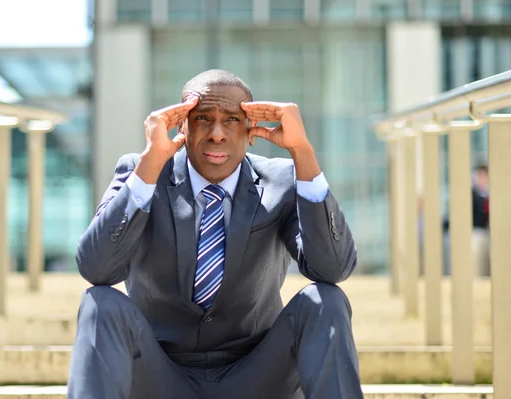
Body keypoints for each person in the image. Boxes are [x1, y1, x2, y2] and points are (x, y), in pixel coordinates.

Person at [68, 70, 363, 399]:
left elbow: (332, 269)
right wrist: (151, 162)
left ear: (251, 130)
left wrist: (302, 152)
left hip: (256, 377)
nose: (217, 134)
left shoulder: (282, 180)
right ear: (183, 125)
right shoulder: (142, 171)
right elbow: (96, 268)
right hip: (159, 377)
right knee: (100, 303)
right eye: (202, 118)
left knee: (326, 301)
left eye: (233, 120)